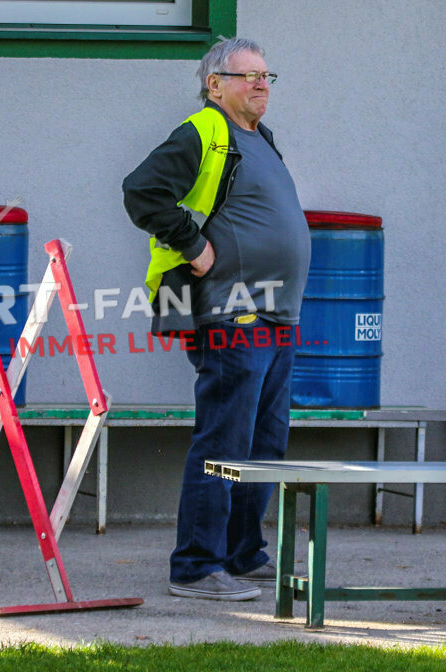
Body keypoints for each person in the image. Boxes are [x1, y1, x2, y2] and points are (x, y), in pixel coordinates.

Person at [122, 38, 311, 601]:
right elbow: (141, 192)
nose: (261, 84)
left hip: (277, 316)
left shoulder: (259, 138)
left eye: (266, 75)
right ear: (214, 84)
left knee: (264, 443)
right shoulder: (205, 131)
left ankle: (241, 555)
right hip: (233, 314)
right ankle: (196, 566)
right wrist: (193, 244)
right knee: (224, 440)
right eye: (247, 75)